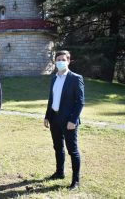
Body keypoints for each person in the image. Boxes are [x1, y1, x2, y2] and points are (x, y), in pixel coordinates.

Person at [44, 50, 85, 190]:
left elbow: (80, 102)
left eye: (63, 59)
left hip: (69, 122)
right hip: (54, 119)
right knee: (57, 147)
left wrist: (73, 120)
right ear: (55, 62)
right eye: (58, 59)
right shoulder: (54, 78)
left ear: (68, 61)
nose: (60, 61)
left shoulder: (75, 78)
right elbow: (51, 99)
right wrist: (47, 116)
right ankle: (59, 172)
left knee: (72, 151)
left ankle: (75, 180)